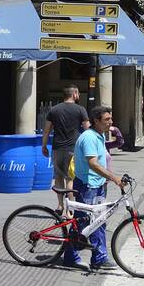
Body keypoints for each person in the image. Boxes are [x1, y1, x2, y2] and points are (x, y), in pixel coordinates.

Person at [62, 105, 124, 272]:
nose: (110, 122)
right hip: (87, 186)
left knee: (96, 222)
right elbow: (92, 163)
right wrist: (114, 178)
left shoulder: (99, 135)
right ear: (96, 121)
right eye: (107, 119)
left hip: (97, 185)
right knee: (86, 223)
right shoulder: (89, 137)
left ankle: (91, 257)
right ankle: (95, 257)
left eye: (111, 118)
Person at [41, 86, 90, 214]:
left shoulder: (54, 110)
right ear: (74, 94)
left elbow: (46, 130)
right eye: (78, 93)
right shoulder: (80, 109)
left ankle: (60, 206)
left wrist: (44, 145)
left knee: (58, 177)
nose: (78, 95)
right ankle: (70, 209)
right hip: (73, 149)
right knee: (70, 178)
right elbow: (87, 130)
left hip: (57, 148)